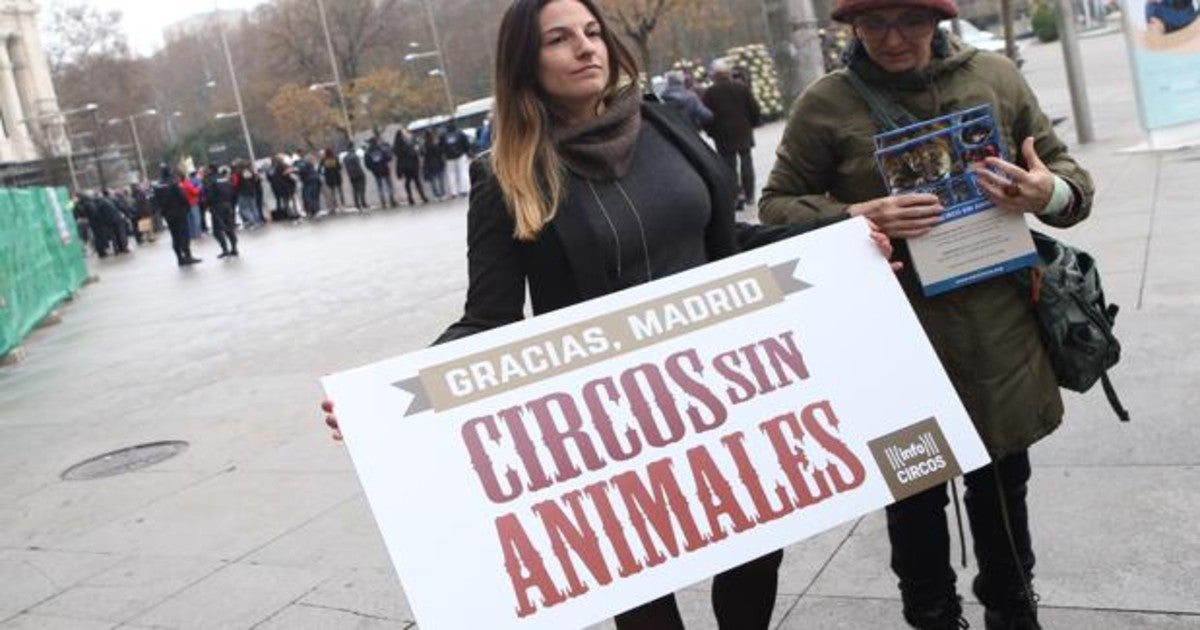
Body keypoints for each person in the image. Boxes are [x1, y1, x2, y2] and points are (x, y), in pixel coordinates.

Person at [322, 0, 894, 627]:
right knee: (641, 591)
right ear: (525, 62)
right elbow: (488, 317)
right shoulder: (507, 173)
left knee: (755, 556)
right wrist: (384, 397)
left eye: (593, 33)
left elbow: (727, 240)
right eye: (560, 39)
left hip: (724, 395)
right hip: (612, 429)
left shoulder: (667, 123)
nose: (586, 48)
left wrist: (839, 231)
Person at [758, 0, 1094, 628]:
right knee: (912, 495)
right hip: (890, 339)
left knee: (1003, 486)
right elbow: (775, 206)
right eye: (873, 25)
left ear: (935, 21)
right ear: (851, 29)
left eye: (909, 21)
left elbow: (1067, 173)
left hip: (997, 331)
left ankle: (1012, 602)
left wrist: (1045, 190)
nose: (892, 39)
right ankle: (932, 613)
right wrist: (854, 217)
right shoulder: (827, 104)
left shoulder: (993, 78)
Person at [702, 57, 761, 210]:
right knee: (746, 161)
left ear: (714, 75)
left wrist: (711, 133)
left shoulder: (710, 93)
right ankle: (750, 195)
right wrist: (752, 124)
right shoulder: (741, 88)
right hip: (743, 130)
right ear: (728, 73)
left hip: (722, 134)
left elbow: (706, 116)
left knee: (729, 166)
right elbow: (754, 108)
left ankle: (736, 195)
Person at [152, 166, 201, 266]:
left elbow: (156, 201)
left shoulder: (158, 186)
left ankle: (179, 258)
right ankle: (188, 255)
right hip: (179, 212)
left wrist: (162, 212)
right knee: (184, 234)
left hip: (168, 214)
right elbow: (182, 196)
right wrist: (187, 207)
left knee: (175, 236)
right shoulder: (174, 184)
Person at [203, 164, 239, 258]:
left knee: (217, 230)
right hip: (228, 204)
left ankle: (225, 249)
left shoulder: (209, 179)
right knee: (229, 228)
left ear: (210, 169)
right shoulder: (224, 178)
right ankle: (234, 248)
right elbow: (232, 190)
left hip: (217, 206)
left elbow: (208, 193)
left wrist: (208, 205)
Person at [393, 127, 428, 205]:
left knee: (408, 181)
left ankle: (410, 197)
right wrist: (416, 150)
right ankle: (422, 196)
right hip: (412, 164)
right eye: (405, 132)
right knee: (417, 181)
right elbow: (412, 152)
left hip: (404, 166)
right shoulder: (406, 143)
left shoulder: (397, 145)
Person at [439, 120, 473, 198]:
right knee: (463, 173)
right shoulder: (460, 133)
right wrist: (467, 153)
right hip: (461, 156)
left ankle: (454, 192)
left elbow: (440, 147)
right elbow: (467, 144)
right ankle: (464, 190)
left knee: (451, 175)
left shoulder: (443, 135)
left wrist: (444, 154)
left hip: (449, 158)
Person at [365, 136, 397, 208]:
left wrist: (373, 169)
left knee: (380, 187)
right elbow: (388, 158)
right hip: (385, 169)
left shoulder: (368, 152)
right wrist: (385, 162)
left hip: (376, 172)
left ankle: (383, 202)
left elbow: (367, 164)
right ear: (376, 142)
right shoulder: (381, 149)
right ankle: (392, 200)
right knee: (389, 185)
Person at [421, 130, 446, 200]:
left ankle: (436, 195)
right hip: (438, 163)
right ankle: (442, 194)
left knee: (433, 181)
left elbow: (422, 154)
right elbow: (439, 152)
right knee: (440, 180)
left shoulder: (424, 145)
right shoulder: (435, 144)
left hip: (429, 165)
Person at [343, 144, 369, 210]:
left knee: (355, 190)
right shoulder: (355, 156)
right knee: (362, 189)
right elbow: (358, 165)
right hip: (359, 174)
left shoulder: (345, 158)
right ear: (352, 148)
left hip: (351, 176)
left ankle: (357, 204)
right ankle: (363, 203)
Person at [320, 147, 346, 211]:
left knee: (333, 192)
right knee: (340, 191)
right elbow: (340, 167)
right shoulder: (335, 158)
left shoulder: (323, 160)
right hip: (337, 177)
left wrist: (324, 174)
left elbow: (320, 170)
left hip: (329, 178)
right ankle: (342, 205)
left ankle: (335, 206)